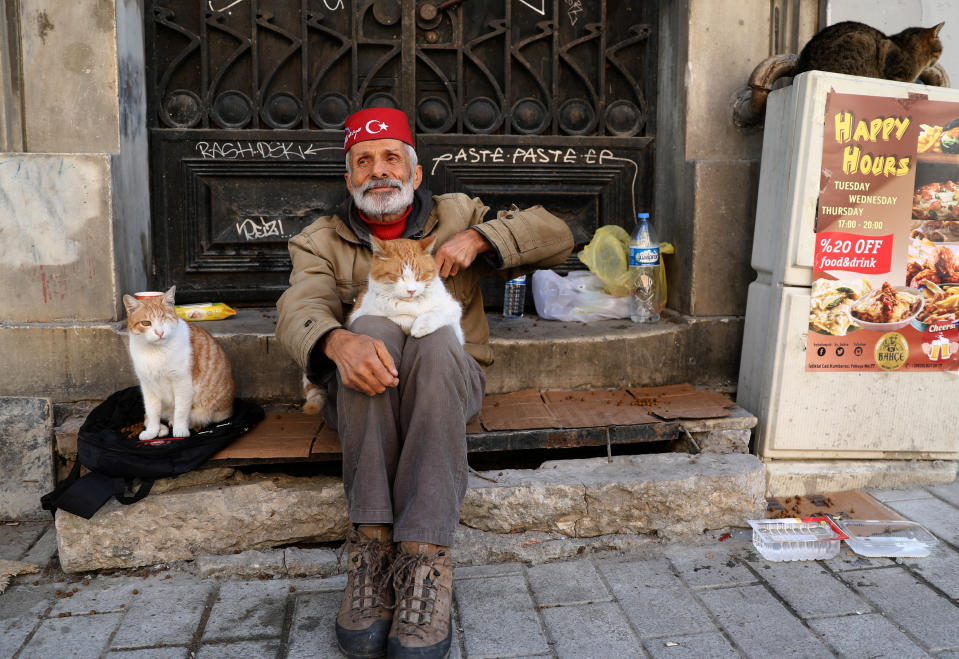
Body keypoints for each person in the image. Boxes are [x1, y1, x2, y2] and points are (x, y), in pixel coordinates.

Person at [275, 107, 573, 659]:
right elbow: (300, 304)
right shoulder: (319, 240)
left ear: (414, 174)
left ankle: (424, 559)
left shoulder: (458, 213)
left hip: (448, 381)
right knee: (371, 328)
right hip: (365, 393)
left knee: (437, 343)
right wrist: (337, 342)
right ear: (349, 179)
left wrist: (483, 239)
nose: (378, 171)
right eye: (363, 162)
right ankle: (372, 551)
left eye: (392, 158)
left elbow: (557, 236)